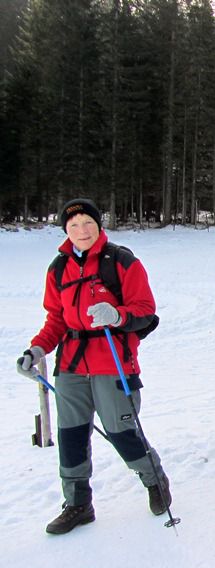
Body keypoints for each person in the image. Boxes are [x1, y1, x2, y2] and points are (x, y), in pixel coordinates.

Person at [15, 198, 169, 535]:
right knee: (71, 436)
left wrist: (117, 315)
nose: (81, 230)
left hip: (113, 361)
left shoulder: (122, 261)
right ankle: (77, 504)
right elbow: (56, 319)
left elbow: (146, 311)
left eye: (87, 223)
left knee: (121, 431)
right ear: (66, 231)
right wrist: (37, 350)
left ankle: (154, 480)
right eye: (73, 226)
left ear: (98, 225)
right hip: (70, 364)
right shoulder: (58, 268)